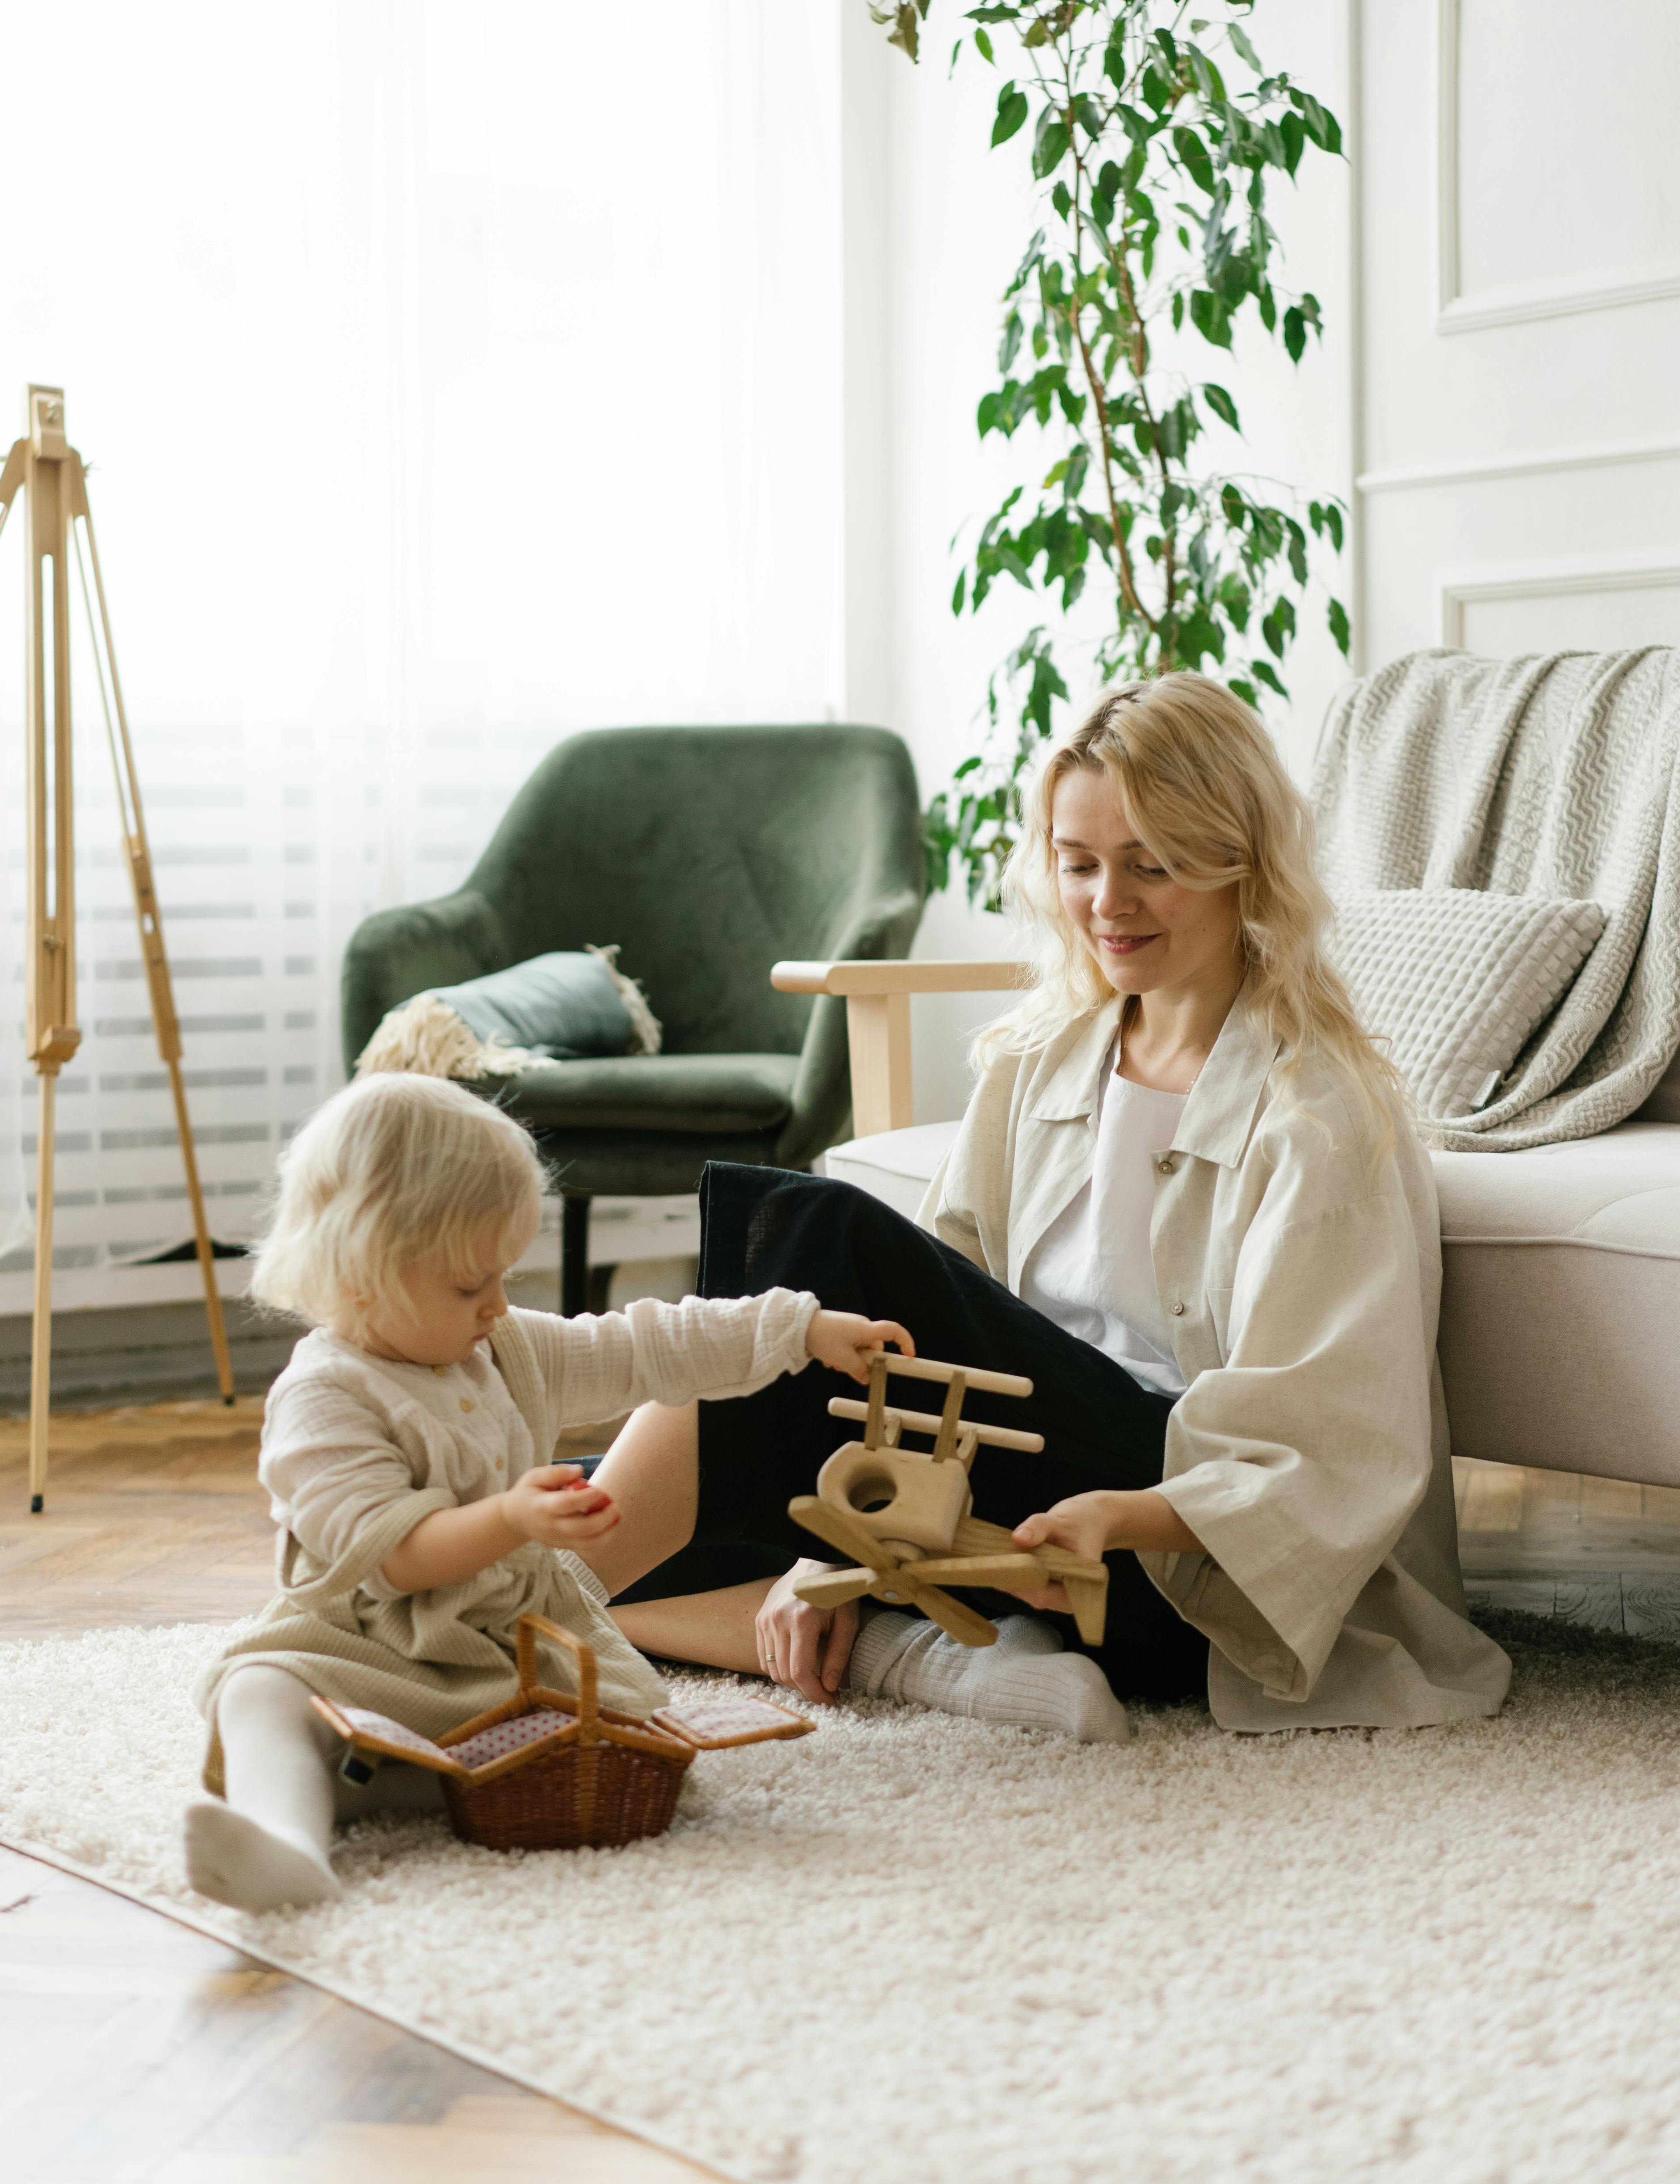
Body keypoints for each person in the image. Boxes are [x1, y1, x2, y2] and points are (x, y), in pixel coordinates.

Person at [582, 675, 1512, 1742]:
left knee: (818, 1237)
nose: (1106, 904)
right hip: (1005, 1503)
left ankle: (477, 1633)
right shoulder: (1042, 1057)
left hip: (1163, 1560)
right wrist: (837, 1539)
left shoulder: (1320, 1115)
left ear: (1237, 864)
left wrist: (1120, 1516)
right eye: (1079, 866)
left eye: (1149, 867)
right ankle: (926, 1661)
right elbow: (932, 1318)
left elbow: (1333, 1447)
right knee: (580, 1492)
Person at [186, 1072, 908, 1911]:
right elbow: (392, 1560)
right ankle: (290, 1845)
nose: (498, 1304)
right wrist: (510, 1518)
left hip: (514, 1647)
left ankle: (388, 1776)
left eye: (505, 1275)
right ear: (360, 1275)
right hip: (371, 1645)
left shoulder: (505, 1347)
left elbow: (648, 1348)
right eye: (469, 1286)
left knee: (627, 1745)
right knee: (256, 1690)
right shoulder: (324, 1397)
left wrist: (798, 1330)